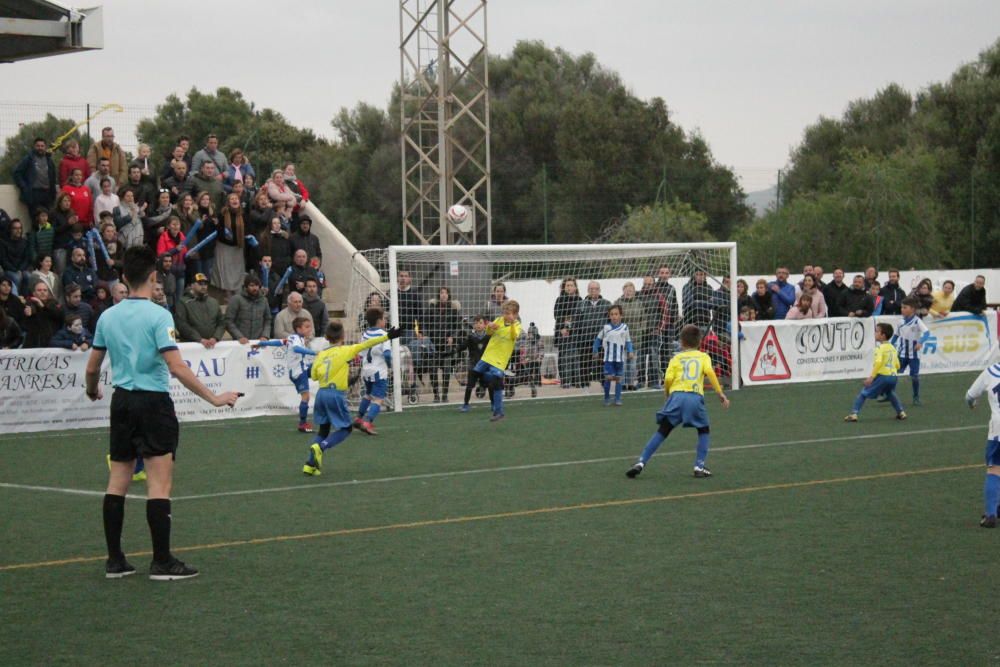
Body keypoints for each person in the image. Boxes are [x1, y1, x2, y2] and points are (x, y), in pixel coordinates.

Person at [85, 244, 240, 580]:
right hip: (153, 403)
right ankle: (162, 562)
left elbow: (93, 366)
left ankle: (115, 561)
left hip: (122, 402)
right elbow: (176, 367)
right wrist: (213, 397)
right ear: (153, 276)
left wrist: (92, 389)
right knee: (158, 484)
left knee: (117, 481)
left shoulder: (107, 316)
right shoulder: (159, 315)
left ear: (124, 277)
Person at [625, 324, 730, 479]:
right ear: (700, 341)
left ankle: (641, 462)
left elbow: (667, 378)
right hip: (694, 397)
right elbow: (710, 373)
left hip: (676, 396)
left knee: (663, 430)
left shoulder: (676, 358)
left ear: (681, 342)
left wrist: (667, 394)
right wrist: (720, 394)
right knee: (703, 430)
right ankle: (699, 466)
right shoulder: (704, 357)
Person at [302, 322, 400, 476]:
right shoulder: (346, 350)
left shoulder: (321, 354)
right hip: (335, 395)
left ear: (326, 337)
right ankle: (321, 447)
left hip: (321, 394)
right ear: (343, 336)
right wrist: (387, 336)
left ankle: (309, 464)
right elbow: (367, 343)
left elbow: (313, 375)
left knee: (323, 429)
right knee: (346, 429)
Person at [254, 317, 319, 433]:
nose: (310, 329)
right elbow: (297, 349)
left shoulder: (295, 338)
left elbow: (278, 342)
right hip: (298, 372)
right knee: (306, 397)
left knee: (321, 369)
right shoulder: (295, 338)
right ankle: (303, 424)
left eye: (310, 326)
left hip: (304, 368)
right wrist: (313, 352)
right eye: (307, 327)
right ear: (298, 329)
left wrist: (263, 343)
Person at [844, 322, 907, 422]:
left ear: (883, 335)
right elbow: (898, 365)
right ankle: (901, 412)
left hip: (883, 376)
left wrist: (871, 377)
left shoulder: (879, 348)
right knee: (890, 392)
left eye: (877, 331)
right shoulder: (892, 348)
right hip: (893, 376)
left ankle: (854, 414)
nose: (875, 333)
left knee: (863, 393)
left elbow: (878, 363)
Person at [473, 300, 522, 422]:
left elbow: (513, 336)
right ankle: (487, 384)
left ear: (515, 315)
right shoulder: (499, 320)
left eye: (508, 313)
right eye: (504, 312)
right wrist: (490, 327)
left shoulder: (516, 325)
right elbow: (489, 333)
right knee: (475, 373)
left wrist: (510, 324)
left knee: (496, 383)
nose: (505, 315)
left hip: (499, 361)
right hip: (488, 356)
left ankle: (498, 412)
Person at [965, 359, 1000, 527]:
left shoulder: (991, 371)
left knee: (994, 468)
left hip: (998, 428)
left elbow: (970, 396)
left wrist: (972, 405)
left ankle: (991, 515)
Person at [354, 307, 393, 434]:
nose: (385, 320)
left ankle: (359, 418)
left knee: (368, 395)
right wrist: (389, 364)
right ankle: (367, 422)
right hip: (378, 371)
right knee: (378, 398)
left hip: (366, 370)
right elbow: (387, 354)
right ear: (379, 321)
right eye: (384, 318)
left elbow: (360, 353)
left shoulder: (365, 334)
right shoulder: (384, 335)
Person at [887, 296, 930, 406]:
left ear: (913, 309)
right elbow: (896, 335)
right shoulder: (900, 322)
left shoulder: (917, 321)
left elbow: (927, 333)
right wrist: (890, 345)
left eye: (905, 307)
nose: (902, 309)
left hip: (914, 355)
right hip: (901, 353)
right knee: (893, 373)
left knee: (914, 376)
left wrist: (920, 342)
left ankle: (916, 397)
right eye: (902, 307)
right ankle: (889, 394)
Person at [425, 286, 462, 403]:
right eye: (441, 293)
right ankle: (436, 395)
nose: (443, 295)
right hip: (433, 344)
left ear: (449, 295)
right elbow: (425, 323)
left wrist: (453, 337)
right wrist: (426, 337)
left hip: (447, 345)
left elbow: (458, 327)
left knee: (446, 370)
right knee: (433, 370)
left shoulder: (453, 310)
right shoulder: (431, 308)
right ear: (438, 295)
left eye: (446, 293)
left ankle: (445, 395)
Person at [448, 315, 492, 412]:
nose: (478, 325)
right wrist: (454, 349)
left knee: (490, 385)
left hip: (485, 365)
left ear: (485, 325)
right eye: (476, 323)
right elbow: (462, 346)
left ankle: (494, 405)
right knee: (469, 386)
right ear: (473, 325)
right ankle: (466, 405)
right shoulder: (471, 337)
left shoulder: (489, 337)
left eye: (480, 323)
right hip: (473, 365)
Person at [592, 304, 633, 407]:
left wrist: (630, 351)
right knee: (608, 378)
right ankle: (606, 398)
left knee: (619, 379)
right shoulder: (606, 328)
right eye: (612, 314)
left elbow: (628, 341)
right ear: (609, 316)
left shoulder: (625, 327)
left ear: (621, 315)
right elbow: (598, 339)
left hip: (620, 358)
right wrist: (595, 350)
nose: (614, 316)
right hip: (608, 359)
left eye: (616, 314)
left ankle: (618, 398)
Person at [212, 193, 248, 297]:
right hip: (225, 246)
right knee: (226, 271)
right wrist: (229, 240)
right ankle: (228, 295)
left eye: (236, 198)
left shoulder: (243, 214)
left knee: (237, 271)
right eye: (232, 199)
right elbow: (219, 231)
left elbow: (248, 230)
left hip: (238, 247)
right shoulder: (223, 214)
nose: (234, 200)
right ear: (228, 202)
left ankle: (237, 293)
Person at [173, 273, 225, 347]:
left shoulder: (213, 302)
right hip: (192, 346)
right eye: (200, 283)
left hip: (213, 346)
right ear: (192, 285)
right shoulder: (183, 302)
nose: (203, 286)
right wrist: (199, 339)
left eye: (205, 284)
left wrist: (215, 337)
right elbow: (182, 325)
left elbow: (222, 322)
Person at [576, 282, 610, 387]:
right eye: (591, 289)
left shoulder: (607, 304)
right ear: (588, 290)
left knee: (602, 362)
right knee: (585, 363)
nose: (593, 291)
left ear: (599, 290)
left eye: (596, 289)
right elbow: (576, 322)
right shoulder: (581, 304)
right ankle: (585, 384)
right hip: (585, 339)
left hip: (601, 340)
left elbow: (611, 321)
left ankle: (604, 382)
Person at [616, 281, 648, 390]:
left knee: (633, 364)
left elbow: (643, 318)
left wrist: (642, 329)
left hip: (636, 339)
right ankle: (622, 384)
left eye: (631, 290)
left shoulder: (639, 303)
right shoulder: (618, 303)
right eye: (627, 290)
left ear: (634, 291)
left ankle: (630, 383)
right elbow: (614, 319)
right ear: (623, 291)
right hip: (622, 339)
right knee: (623, 363)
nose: (629, 292)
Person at [12, 137, 57, 212]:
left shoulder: (49, 160)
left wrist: (53, 193)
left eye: (42, 146)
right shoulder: (28, 159)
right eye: (38, 146)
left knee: (48, 220)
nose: (40, 148)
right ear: (34, 147)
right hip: (34, 194)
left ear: (45, 147)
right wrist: (24, 186)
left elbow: (53, 177)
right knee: (36, 219)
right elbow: (17, 173)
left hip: (47, 194)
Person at [225, 275, 271, 343]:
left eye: (256, 285)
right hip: (240, 342)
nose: (255, 288)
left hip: (258, 341)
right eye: (251, 285)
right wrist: (239, 336)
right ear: (246, 287)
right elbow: (228, 321)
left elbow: (268, 320)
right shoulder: (236, 299)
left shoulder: (264, 300)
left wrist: (265, 335)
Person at [554, 277, 582, 389]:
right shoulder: (560, 300)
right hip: (562, 332)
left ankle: (576, 380)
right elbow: (557, 315)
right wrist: (562, 328)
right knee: (563, 356)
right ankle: (565, 381)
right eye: (567, 285)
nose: (569, 287)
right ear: (564, 287)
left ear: (575, 287)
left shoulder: (579, 300)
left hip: (575, 332)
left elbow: (580, 317)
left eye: (571, 285)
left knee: (575, 356)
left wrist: (572, 327)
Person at [21, 280, 63, 348]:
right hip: (34, 344)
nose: (42, 292)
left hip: (52, 343)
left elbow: (59, 316)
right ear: (34, 293)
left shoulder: (54, 304)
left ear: (48, 293)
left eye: (45, 290)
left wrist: (43, 307)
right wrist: (28, 315)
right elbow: (24, 325)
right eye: (39, 290)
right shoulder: (29, 304)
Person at [1, 218, 32, 295]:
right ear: (10, 230)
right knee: (16, 278)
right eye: (15, 228)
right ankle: (16, 299)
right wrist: (15, 270)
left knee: (28, 276)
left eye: (20, 228)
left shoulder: (24, 242)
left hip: (21, 269)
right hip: (9, 270)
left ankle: (25, 298)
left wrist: (20, 270)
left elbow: (27, 259)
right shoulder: (3, 242)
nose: (18, 230)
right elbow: (3, 261)